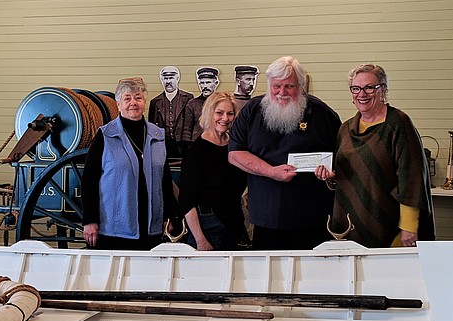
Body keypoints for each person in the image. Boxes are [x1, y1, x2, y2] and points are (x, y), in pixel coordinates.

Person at [315, 64, 435, 248]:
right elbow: (348, 172)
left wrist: (409, 226)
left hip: (392, 226)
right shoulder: (345, 129)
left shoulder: (398, 124)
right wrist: (332, 177)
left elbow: (412, 177)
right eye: (356, 88)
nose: (361, 94)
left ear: (383, 90)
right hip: (350, 225)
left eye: (369, 87)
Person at [228, 56, 341, 250]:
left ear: (301, 85)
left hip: (312, 218)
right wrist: (271, 172)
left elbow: (340, 158)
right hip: (266, 218)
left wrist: (330, 174)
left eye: (289, 86)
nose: (282, 92)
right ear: (269, 84)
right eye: (276, 86)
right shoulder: (252, 111)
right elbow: (235, 154)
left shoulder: (322, 113)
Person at [82, 77, 178, 250]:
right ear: (118, 104)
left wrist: (169, 216)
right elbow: (89, 181)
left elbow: (165, 180)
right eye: (127, 98)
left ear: (144, 101)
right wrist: (89, 220)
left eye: (138, 98)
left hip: (150, 226)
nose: (133, 103)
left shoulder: (158, 135)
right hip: (114, 228)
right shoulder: (105, 135)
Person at [179, 92, 246, 251]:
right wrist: (200, 240)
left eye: (230, 113)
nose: (225, 118)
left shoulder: (236, 146)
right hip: (207, 226)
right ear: (209, 113)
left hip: (233, 223)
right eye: (219, 113)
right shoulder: (196, 151)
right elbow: (186, 201)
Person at [148, 66, 194, 159]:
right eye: (165, 78)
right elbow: (151, 126)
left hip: (183, 145)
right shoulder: (155, 102)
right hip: (162, 144)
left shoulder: (188, 98)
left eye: (171, 78)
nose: (168, 81)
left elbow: (191, 123)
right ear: (161, 80)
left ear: (177, 79)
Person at [182, 67, 220, 145]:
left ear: (216, 83)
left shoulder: (222, 103)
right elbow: (187, 129)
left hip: (217, 144)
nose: (205, 86)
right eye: (202, 83)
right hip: (197, 145)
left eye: (208, 82)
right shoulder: (192, 104)